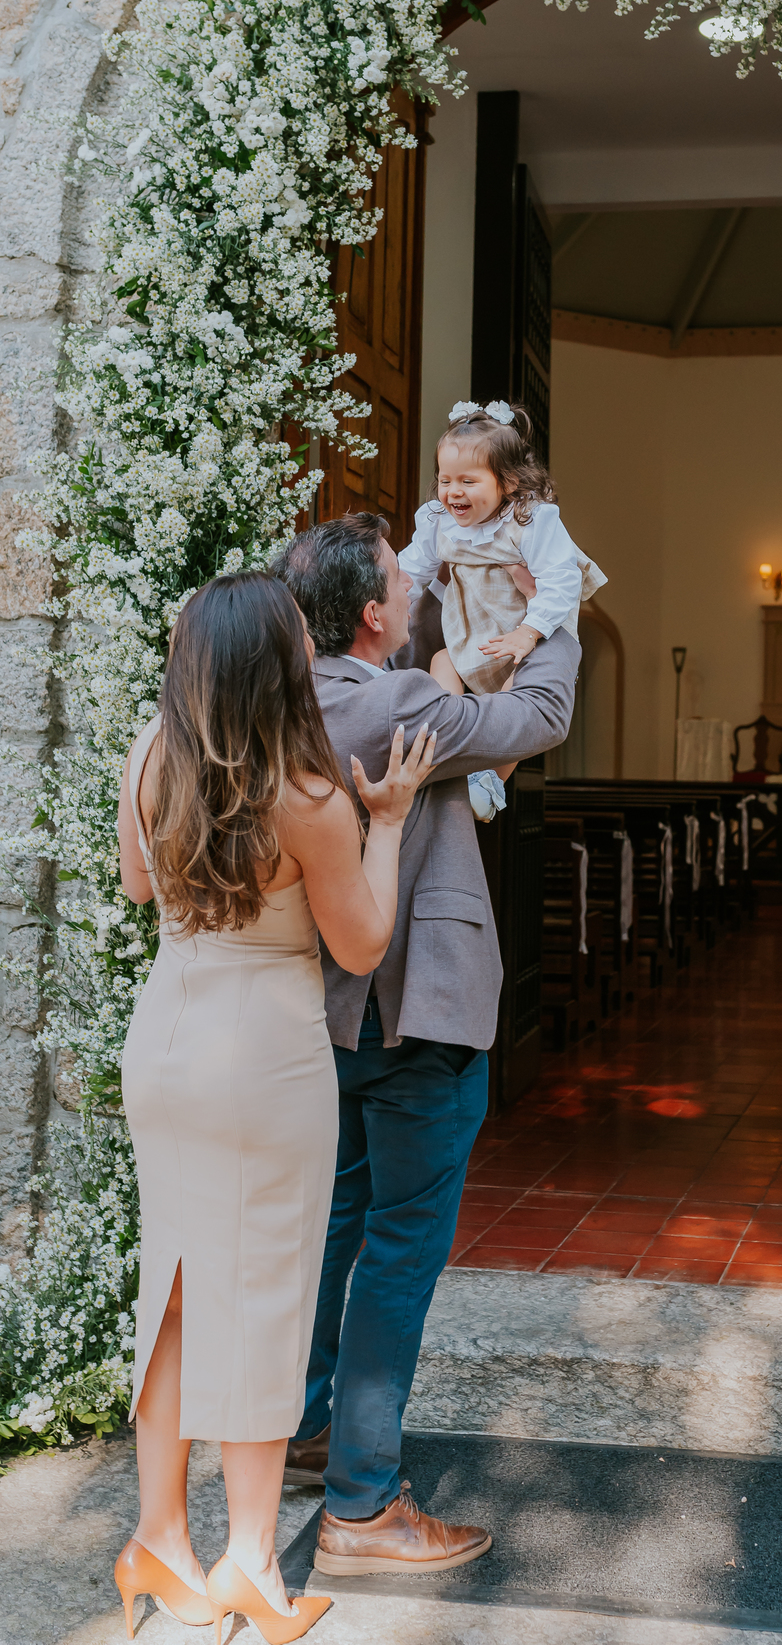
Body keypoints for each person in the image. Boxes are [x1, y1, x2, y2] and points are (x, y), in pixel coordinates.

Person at [113, 572, 436, 1643]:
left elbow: (139, 887)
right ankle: (251, 1560)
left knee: (176, 1290)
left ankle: (160, 1535)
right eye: (300, 641)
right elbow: (363, 946)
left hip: (165, 1038)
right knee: (262, 1299)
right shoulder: (306, 798)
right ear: (276, 663)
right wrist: (385, 824)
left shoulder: (150, 758)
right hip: (262, 1057)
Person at [272, 510, 579, 1575]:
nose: (413, 594)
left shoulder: (281, 697)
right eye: (400, 585)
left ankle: (312, 1429)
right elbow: (541, 714)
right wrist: (558, 600)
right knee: (401, 1247)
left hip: (325, 1011)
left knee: (342, 1220)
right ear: (368, 614)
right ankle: (363, 1502)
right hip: (416, 1010)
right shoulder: (391, 704)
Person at [399, 398, 606, 698]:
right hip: (469, 644)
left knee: (514, 698)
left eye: (468, 481)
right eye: (445, 480)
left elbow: (561, 579)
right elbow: (411, 571)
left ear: (508, 481)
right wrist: (387, 601)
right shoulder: (439, 523)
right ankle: (448, 727)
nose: (453, 491)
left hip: (525, 641)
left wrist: (529, 632)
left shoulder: (528, 521)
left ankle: (493, 726)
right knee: (441, 660)